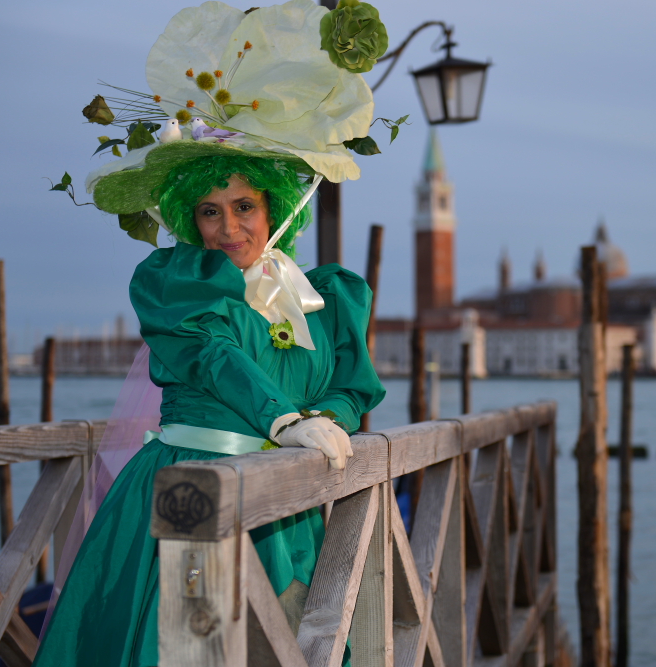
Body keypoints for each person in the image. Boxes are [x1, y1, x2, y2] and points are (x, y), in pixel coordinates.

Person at [34, 1, 390, 664]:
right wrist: (284, 420)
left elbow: (352, 384)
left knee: (288, 642)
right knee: (188, 648)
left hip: (290, 501)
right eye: (209, 210)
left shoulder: (326, 298)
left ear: (272, 205)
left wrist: (325, 421)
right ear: (190, 220)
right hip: (188, 495)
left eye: (244, 206)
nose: (229, 227)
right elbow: (211, 354)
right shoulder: (179, 284)